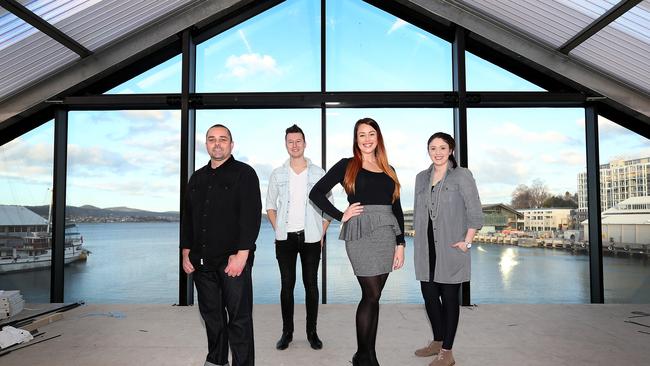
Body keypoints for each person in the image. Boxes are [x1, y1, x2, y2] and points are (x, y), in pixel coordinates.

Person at [309, 117, 405, 366]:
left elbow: (397, 207)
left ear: (378, 137)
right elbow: (315, 193)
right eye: (361, 134)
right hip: (361, 231)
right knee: (371, 293)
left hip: (386, 231)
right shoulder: (347, 165)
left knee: (375, 295)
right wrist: (342, 215)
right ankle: (367, 357)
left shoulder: (388, 168)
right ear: (356, 139)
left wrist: (400, 243)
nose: (366, 139)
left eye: (371, 134)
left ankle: (363, 354)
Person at [180, 124, 261, 366]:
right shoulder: (196, 177)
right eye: (212, 139)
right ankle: (216, 360)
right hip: (201, 262)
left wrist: (242, 255)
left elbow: (251, 215)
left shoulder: (244, 173)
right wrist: (186, 252)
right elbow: (188, 217)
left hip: (232, 261)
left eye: (222, 139)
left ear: (231, 144)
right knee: (212, 317)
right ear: (206, 144)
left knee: (239, 318)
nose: (217, 143)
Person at [412, 132, 483, 366]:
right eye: (433, 148)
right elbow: (419, 214)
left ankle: (448, 352)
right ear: (428, 151)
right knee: (430, 297)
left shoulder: (462, 175)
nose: (438, 152)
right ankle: (437, 340)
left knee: (450, 300)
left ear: (451, 150)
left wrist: (467, 241)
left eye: (443, 148)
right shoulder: (421, 178)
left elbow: (475, 211)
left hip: (452, 247)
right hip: (425, 250)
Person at [266, 124, 331, 351]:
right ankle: (287, 332)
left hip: (311, 238)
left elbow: (328, 208)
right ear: (286, 144)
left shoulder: (318, 173)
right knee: (287, 286)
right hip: (285, 239)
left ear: (305, 143)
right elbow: (270, 207)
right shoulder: (277, 174)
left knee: (311, 285)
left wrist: (321, 233)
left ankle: (312, 332)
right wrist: (278, 231)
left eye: (298, 141)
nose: (294, 145)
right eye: (290, 141)